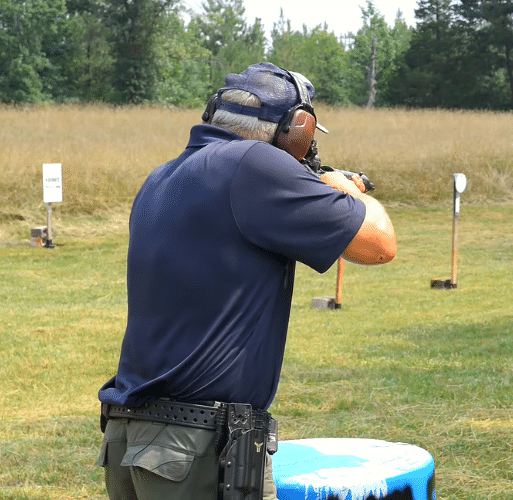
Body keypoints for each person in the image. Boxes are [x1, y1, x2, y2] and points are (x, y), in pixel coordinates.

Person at [96, 62, 396, 500]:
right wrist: (342, 189)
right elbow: (379, 245)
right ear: (298, 125)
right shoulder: (254, 163)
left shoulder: (162, 177)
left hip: (133, 440)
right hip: (197, 450)